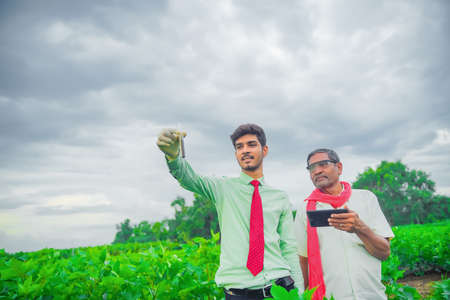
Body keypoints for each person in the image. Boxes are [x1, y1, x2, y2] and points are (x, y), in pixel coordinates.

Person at [157, 124, 302, 299]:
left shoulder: (280, 197)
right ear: (235, 154)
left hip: (279, 289)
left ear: (264, 150)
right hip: (238, 293)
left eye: (251, 144)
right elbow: (189, 178)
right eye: (239, 147)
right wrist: (173, 157)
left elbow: (288, 247)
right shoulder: (222, 188)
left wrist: (298, 293)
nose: (245, 150)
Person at [294, 148, 394, 300]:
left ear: (339, 168)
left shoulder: (366, 199)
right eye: (312, 168)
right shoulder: (305, 209)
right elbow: (303, 259)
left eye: (323, 164)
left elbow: (384, 253)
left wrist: (359, 228)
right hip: (330, 296)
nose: (317, 171)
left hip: (371, 294)